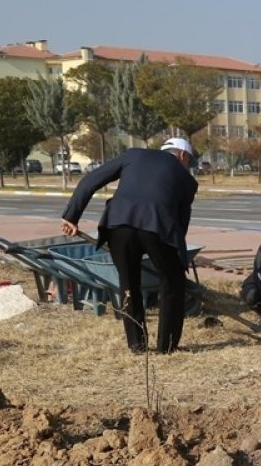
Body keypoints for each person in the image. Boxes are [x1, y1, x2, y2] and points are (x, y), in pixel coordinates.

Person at [60, 137, 198, 354]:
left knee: (129, 283)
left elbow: (91, 180)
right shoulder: (186, 179)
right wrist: (178, 260)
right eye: (188, 160)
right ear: (182, 155)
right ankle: (167, 347)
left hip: (118, 224)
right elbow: (180, 224)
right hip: (157, 226)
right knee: (172, 282)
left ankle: (137, 345)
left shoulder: (134, 155)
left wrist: (72, 216)